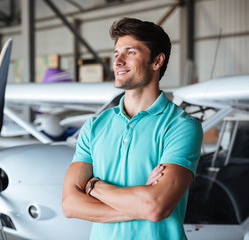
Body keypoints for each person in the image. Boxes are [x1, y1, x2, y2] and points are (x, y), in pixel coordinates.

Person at [62, 17, 203, 240]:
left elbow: (155, 206)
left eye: (130, 52)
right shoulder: (95, 126)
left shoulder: (181, 126)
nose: (117, 61)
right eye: (117, 53)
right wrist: (139, 204)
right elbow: (70, 204)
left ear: (157, 61)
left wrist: (94, 187)